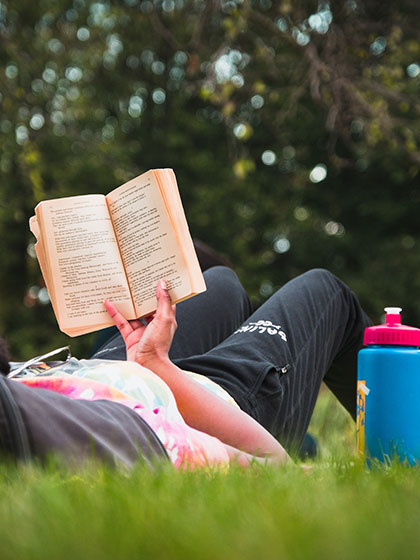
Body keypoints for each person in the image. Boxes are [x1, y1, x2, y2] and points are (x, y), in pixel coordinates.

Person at [92, 265, 372, 460]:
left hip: (93, 378)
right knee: (326, 289)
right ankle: (406, 448)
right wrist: (154, 364)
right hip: (185, 407)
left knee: (221, 283)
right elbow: (272, 463)